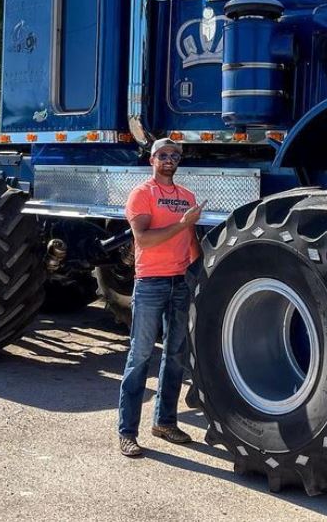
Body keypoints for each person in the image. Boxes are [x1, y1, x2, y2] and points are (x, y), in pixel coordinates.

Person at [117, 138, 204, 457]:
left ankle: (165, 423)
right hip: (151, 282)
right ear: (152, 158)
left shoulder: (186, 196)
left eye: (175, 155)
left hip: (180, 283)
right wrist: (182, 223)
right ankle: (127, 432)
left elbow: (191, 238)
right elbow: (143, 238)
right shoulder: (142, 194)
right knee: (140, 356)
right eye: (164, 154)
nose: (170, 159)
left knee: (176, 354)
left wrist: (199, 271)